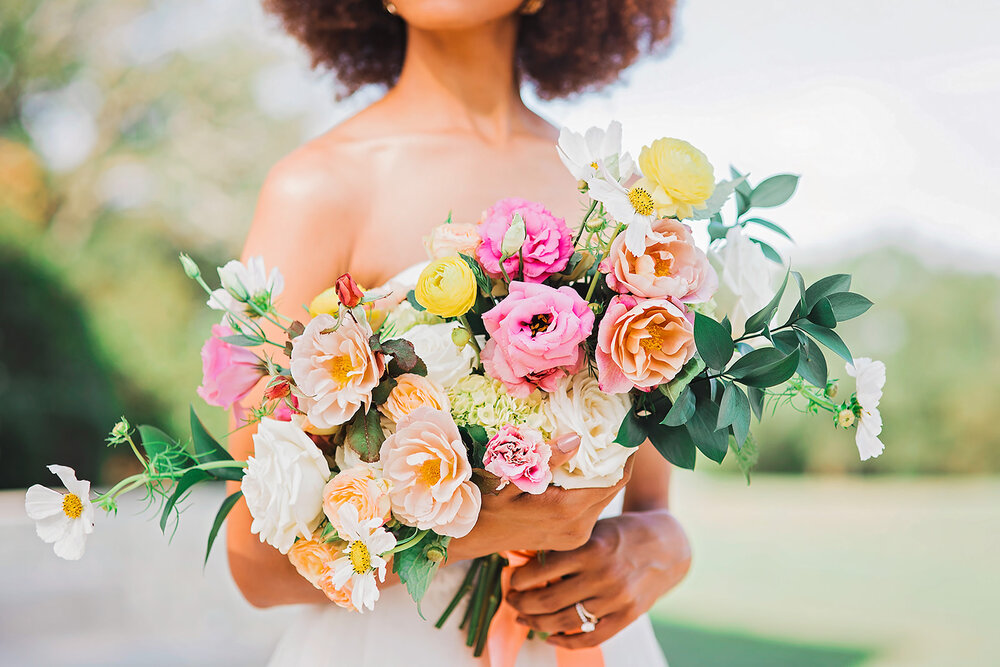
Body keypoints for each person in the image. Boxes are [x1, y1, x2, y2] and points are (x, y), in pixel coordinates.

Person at [226, 1, 692, 664]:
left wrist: (660, 548)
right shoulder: (313, 189)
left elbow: (652, 503)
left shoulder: (616, 199)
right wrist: (473, 527)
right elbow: (253, 561)